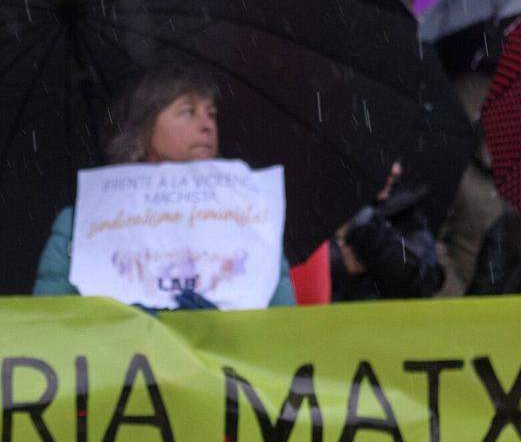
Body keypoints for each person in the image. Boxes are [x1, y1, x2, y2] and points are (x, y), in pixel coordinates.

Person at [34, 67, 296, 307]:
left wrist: (220, 330)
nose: (207, 126)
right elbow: (53, 325)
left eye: (211, 114)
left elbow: (281, 329)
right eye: (187, 112)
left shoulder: (249, 215)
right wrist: (126, 329)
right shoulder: (82, 224)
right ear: (144, 131)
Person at [331, 161, 444, 302]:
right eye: (385, 162)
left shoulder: (406, 216)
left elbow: (424, 281)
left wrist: (369, 236)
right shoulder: (327, 203)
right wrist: (340, 266)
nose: (395, 171)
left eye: (395, 162)